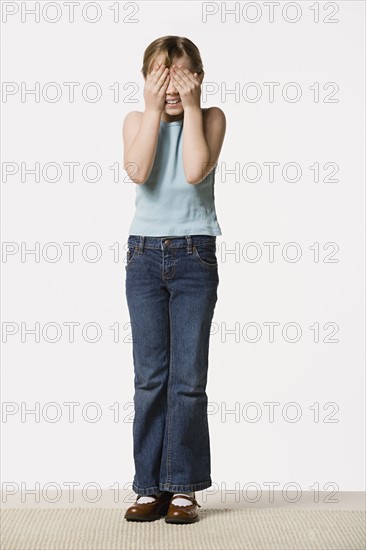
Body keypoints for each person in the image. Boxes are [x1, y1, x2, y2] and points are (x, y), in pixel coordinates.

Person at [123, 36, 226, 524]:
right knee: (150, 378)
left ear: (198, 77)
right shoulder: (133, 121)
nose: (170, 86)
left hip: (193, 255)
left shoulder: (211, 119)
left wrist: (192, 106)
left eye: (180, 74)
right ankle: (149, 487)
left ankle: (182, 489)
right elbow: (139, 171)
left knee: (187, 380)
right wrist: (149, 108)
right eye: (160, 76)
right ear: (146, 79)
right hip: (143, 257)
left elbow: (192, 171)